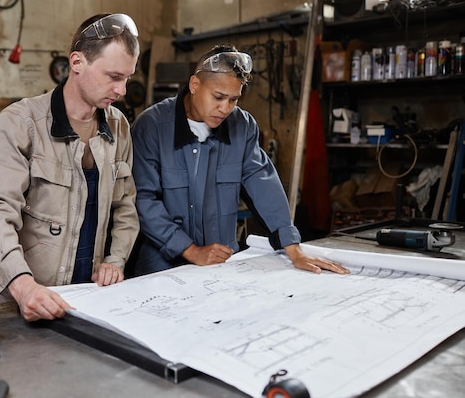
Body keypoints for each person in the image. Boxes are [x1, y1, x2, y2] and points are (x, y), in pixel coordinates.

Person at [0, 13, 141, 321]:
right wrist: (23, 287)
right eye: (114, 77)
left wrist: (115, 260)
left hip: (88, 300)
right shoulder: (21, 124)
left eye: (127, 78)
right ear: (77, 62)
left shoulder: (119, 127)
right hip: (23, 301)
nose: (122, 90)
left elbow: (125, 206)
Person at [131, 44, 348, 276]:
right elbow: (144, 200)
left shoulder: (241, 127)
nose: (225, 109)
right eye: (218, 97)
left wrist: (293, 249)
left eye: (233, 99)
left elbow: (263, 183)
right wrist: (191, 250)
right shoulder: (152, 126)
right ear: (195, 85)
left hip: (221, 261)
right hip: (163, 264)